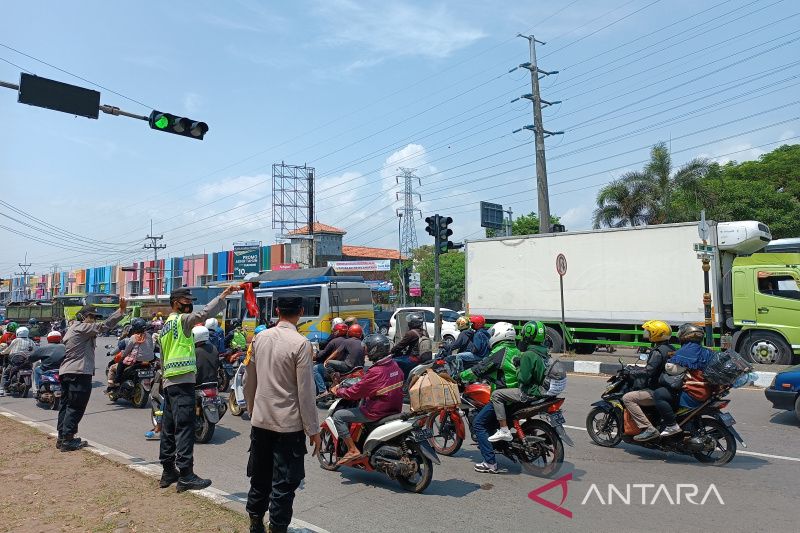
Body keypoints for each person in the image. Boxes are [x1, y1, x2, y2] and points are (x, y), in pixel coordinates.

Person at [244, 296, 321, 533]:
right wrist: (313, 429)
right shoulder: (301, 344)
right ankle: (277, 528)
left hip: (261, 422)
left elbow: (248, 380)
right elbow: (306, 392)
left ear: (277, 311)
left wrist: (252, 409)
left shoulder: (259, 338)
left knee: (259, 477)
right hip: (288, 426)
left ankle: (255, 524)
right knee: (284, 485)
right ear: (300, 312)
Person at [158, 285, 240, 492]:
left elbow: (164, 357)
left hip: (169, 383)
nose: (190, 305)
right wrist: (223, 296)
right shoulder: (181, 321)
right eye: (186, 302)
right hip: (183, 381)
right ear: (176, 303)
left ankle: (168, 471)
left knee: (168, 429)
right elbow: (205, 313)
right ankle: (186, 475)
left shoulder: (165, 326)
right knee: (185, 428)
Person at [58, 301, 126, 451]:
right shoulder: (82, 327)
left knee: (66, 405)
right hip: (78, 372)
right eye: (91, 316)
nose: (93, 319)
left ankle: (62, 437)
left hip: (68, 372)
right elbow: (104, 326)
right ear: (83, 316)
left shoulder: (73, 328)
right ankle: (67, 440)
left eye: (94, 317)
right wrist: (120, 311)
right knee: (75, 406)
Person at [331, 333, 403, 464]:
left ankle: (352, 450)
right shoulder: (394, 365)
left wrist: (339, 391)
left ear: (374, 350)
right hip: (394, 408)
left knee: (339, 416)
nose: (366, 352)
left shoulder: (376, 371)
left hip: (376, 411)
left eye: (368, 349)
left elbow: (354, 392)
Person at [459, 322, 520, 474]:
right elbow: (499, 370)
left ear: (498, 335)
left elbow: (481, 368)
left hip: (503, 395)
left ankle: (490, 463)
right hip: (515, 393)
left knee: (479, 424)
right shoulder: (515, 350)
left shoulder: (500, 351)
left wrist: (461, 376)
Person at [488, 321, 550, 443]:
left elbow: (524, 379)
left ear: (527, 335)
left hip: (531, 392)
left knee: (496, 395)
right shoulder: (544, 352)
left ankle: (504, 429)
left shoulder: (528, 354)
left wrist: (517, 367)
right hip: (543, 389)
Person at [652, 323, 712, 438]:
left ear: (684, 337)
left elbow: (671, 368)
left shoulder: (686, 351)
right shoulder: (706, 351)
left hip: (694, 393)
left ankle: (671, 425)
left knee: (659, 394)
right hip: (707, 391)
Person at [620, 320, 675, 441]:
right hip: (668, 387)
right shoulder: (671, 348)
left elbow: (649, 371)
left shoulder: (657, 351)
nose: (647, 334)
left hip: (656, 389)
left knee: (628, 398)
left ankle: (648, 428)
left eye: (649, 331)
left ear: (656, 333)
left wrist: (632, 372)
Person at [108, 318, 154, 391]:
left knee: (120, 364)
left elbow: (127, 349)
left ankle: (117, 381)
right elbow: (152, 347)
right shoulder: (149, 336)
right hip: (150, 359)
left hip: (137, 360)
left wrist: (123, 356)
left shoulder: (133, 337)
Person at [389, 312, 430, 378]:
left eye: (409, 322)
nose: (408, 323)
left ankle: (401, 379)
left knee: (393, 361)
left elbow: (400, 346)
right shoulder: (424, 332)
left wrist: (391, 351)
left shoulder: (411, 333)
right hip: (422, 357)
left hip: (414, 358)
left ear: (412, 323)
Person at [313, 322, 349, 394]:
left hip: (336, 369)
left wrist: (314, 356)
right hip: (349, 368)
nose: (333, 333)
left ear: (338, 331)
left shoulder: (334, 341)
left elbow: (322, 355)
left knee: (315, 368)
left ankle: (323, 391)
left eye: (334, 331)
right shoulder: (350, 340)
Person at [0, 326, 36, 396]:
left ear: (18, 333)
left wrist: (2, 352)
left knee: (6, 373)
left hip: (15, 361)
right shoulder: (31, 341)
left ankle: (1, 389)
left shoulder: (15, 340)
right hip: (27, 362)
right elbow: (35, 350)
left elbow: (8, 349)